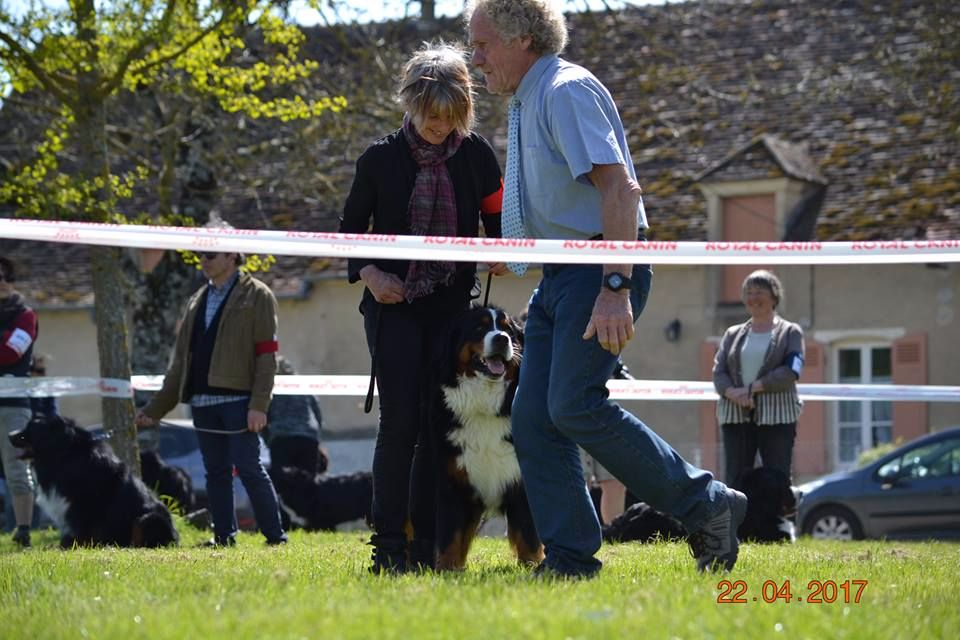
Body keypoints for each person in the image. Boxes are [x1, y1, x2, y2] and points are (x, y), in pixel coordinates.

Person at [466, 0, 746, 577]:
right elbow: (563, 205)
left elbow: (621, 191)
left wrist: (614, 288)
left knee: (572, 405)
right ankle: (570, 558)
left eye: (482, 44)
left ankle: (707, 505)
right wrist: (513, 252)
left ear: (522, 38)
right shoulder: (530, 100)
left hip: (601, 269)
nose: (476, 60)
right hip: (563, 274)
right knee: (534, 418)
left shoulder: (565, 91)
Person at [339, 42, 505, 573]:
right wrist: (371, 272)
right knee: (401, 424)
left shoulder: (478, 155)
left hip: (453, 312)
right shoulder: (378, 159)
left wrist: (502, 253)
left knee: (440, 426)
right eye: (431, 116)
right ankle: (388, 547)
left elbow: (498, 220)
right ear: (411, 103)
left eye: (450, 117)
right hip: (393, 308)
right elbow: (349, 234)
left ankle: (429, 546)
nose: (439, 126)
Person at [134, 234, 287, 547]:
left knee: (249, 469)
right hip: (202, 402)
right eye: (201, 255)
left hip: (240, 402)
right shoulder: (196, 299)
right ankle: (223, 537)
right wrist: (154, 410)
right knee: (215, 473)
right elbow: (180, 365)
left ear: (232, 256)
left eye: (211, 255)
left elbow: (267, 354)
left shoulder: (258, 294)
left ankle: (276, 537)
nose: (203, 260)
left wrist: (259, 404)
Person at [713, 270, 804, 487]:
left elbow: (791, 371)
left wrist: (753, 388)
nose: (754, 298)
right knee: (736, 479)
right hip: (736, 414)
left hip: (777, 415)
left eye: (760, 292)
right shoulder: (732, 334)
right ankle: (737, 521)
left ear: (774, 296)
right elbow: (719, 371)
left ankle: (780, 521)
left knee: (777, 476)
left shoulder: (791, 332)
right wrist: (733, 393)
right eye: (749, 292)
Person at [0, 256, 38, 547]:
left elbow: (11, 353)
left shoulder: (26, 315)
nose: (0, 282)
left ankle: (23, 529)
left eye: (4, 277)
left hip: (12, 404)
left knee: (16, 468)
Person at [265, 355, 323, 475]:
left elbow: (264, 417)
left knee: (283, 484)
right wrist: (317, 436)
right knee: (309, 485)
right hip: (308, 439)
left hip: (281, 439)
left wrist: (268, 440)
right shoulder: (303, 385)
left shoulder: (270, 388)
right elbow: (317, 414)